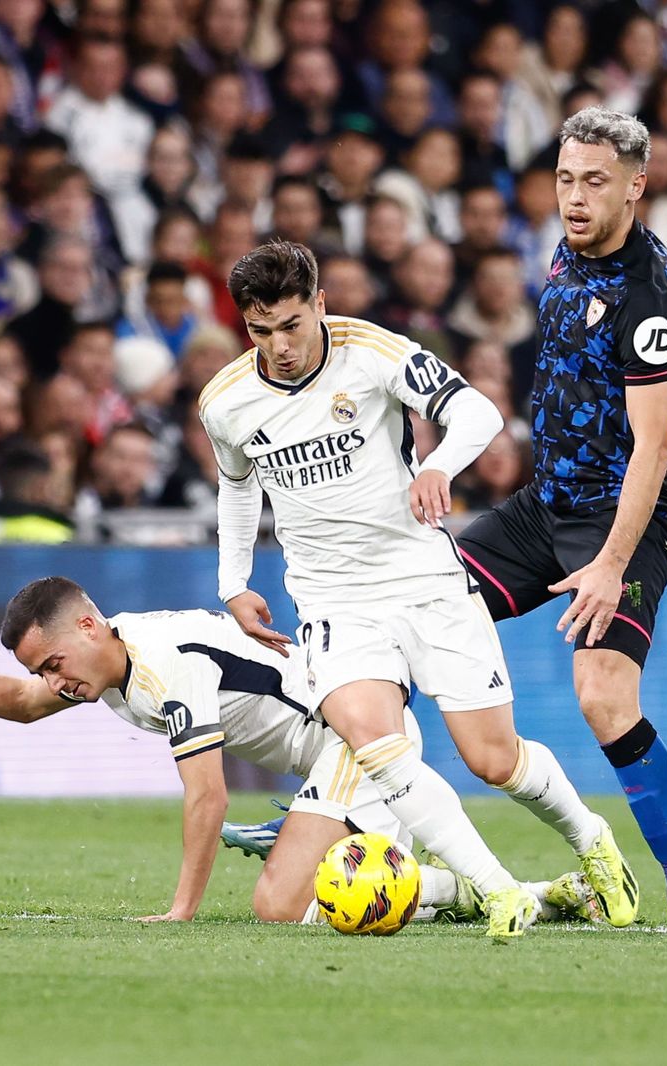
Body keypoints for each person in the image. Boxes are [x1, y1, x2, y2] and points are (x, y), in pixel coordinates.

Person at [201, 239, 633, 940]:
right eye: (260, 331)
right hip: (334, 601)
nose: (278, 347)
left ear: (319, 304)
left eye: (291, 325)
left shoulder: (372, 352)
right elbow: (237, 484)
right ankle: (498, 890)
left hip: (424, 580)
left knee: (494, 759)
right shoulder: (226, 402)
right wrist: (234, 582)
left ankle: (593, 840)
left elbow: (479, 414)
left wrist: (438, 466)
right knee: (377, 745)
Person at [0, 577, 598, 926]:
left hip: (360, 739)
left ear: (87, 626)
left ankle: (501, 891)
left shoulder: (165, 664)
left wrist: (181, 910)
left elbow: (208, 795)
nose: (52, 683)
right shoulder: (105, 661)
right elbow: (22, 703)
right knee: (328, 901)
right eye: (42, 671)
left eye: (52, 664)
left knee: (284, 905)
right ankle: (526, 894)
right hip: (335, 752)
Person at [450, 108, 667, 928]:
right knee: (415, 606)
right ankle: (329, 810)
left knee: (603, 696)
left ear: (637, 186)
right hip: (548, 503)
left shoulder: (650, 297)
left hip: (626, 517)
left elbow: (653, 446)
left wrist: (609, 564)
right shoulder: (566, 253)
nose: (574, 198)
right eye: (566, 179)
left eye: (595, 182)